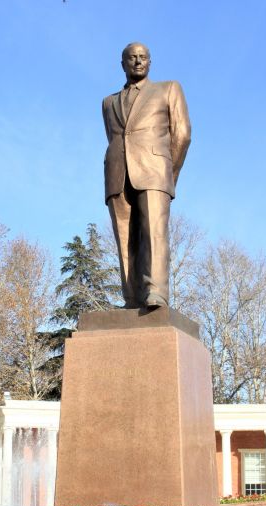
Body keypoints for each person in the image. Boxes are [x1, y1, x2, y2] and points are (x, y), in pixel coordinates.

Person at [102, 42, 191, 308]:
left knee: (154, 232)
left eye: (143, 57)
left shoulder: (169, 89)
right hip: (118, 173)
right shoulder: (108, 103)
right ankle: (131, 297)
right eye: (132, 57)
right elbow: (115, 137)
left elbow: (182, 134)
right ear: (123, 64)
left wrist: (168, 173)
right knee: (124, 238)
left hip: (155, 170)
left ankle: (156, 291)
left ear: (150, 62)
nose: (138, 61)